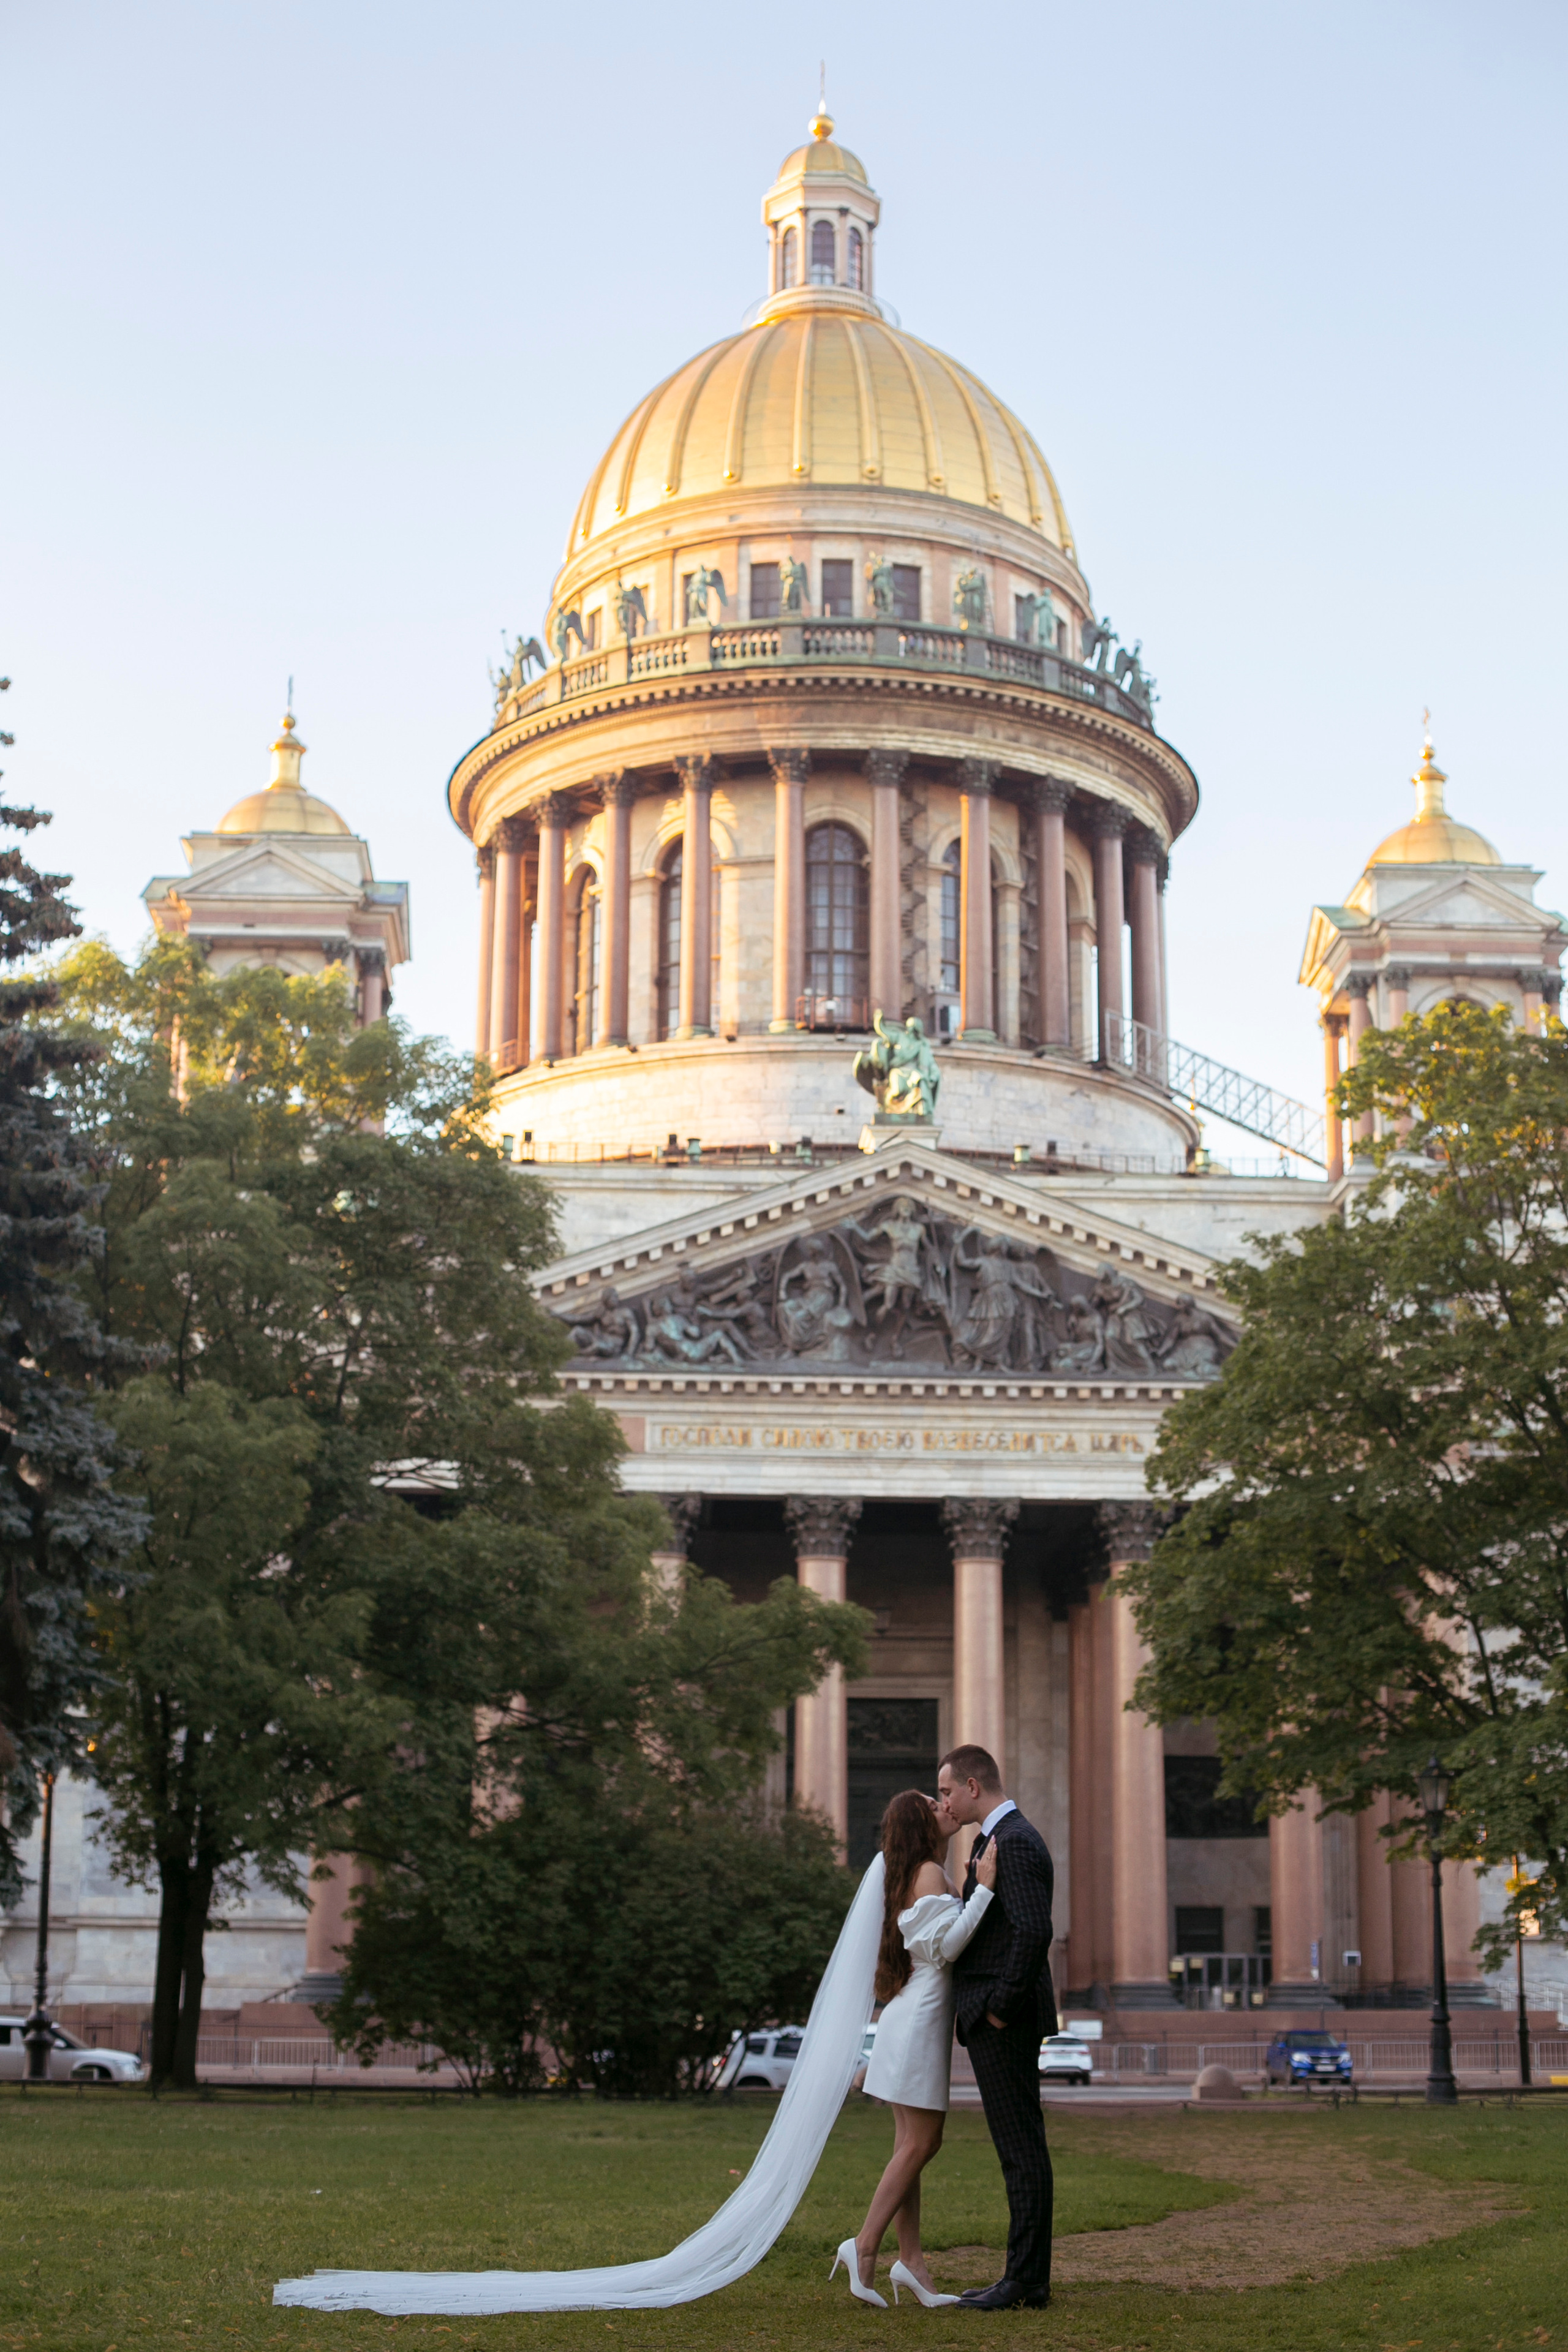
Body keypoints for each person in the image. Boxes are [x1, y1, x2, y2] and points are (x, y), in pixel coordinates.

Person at [832, 1792, 998, 2310]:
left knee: (910, 2146)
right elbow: (947, 1948)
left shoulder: (924, 1872)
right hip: (918, 2022)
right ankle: (864, 2247)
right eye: (933, 1802)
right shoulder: (927, 1872)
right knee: (923, 2143)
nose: (944, 1804)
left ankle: (912, 2263)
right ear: (920, 1824)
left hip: (914, 2018)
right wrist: (984, 1892)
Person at [937, 1743, 1057, 2311]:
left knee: (1020, 2148)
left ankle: (1025, 2279)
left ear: (973, 1787)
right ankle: (1025, 2276)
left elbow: (1034, 1931)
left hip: (1004, 2018)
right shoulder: (994, 1840)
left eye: (947, 1792)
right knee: (1017, 2147)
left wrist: (1000, 2008)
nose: (945, 1802)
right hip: (994, 2014)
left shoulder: (1015, 1841)